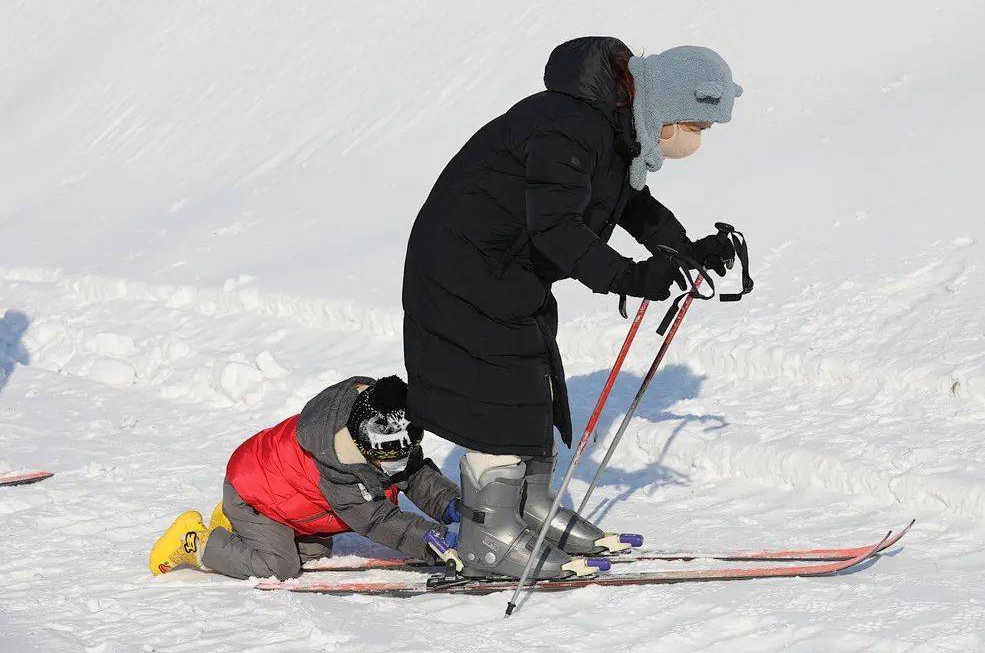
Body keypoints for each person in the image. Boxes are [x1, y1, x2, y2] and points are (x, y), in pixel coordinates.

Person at [402, 36, 743, 580]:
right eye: (698, 127)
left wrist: (681, 250)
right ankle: (489, 537)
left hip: (508, 267)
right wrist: (629, 277)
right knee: (498, 384)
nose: (697, 141)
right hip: (463, 265)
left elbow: (629, 201)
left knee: (533, 376)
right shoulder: (570, 125)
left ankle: (526, 512)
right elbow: (556, 225)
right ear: (670, 109)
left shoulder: (608, 129)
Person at [148, 375, 460, 579]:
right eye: (390, 459)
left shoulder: (378, 421)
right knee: (280, 567)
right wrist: (442, 546)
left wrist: (454, 506)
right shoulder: (339, 467)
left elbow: (413, 473)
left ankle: (237, 525)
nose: (400, 464)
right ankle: (196, 542)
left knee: (314, 554)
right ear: (364, 449)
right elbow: (378, 520)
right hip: (252, 492)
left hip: (284, 497)